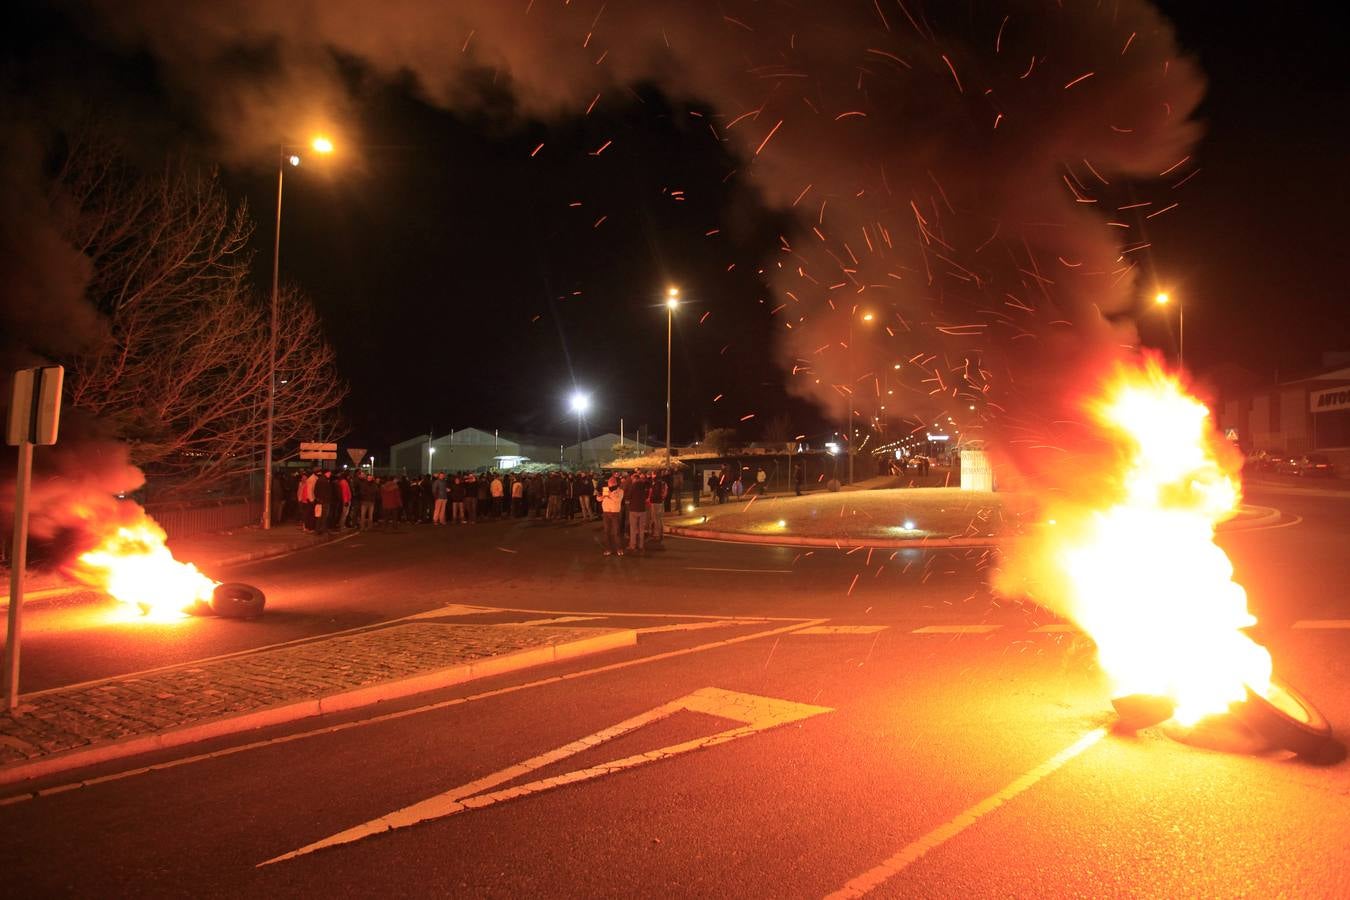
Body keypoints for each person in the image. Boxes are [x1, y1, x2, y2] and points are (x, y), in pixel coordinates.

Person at [600, 476, 625, 556]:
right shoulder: (605, 490)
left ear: (615, 483)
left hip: (615, 513)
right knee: (606, 532)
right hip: (606, 512)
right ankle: (608, 549)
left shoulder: (620, 491)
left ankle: (619, 549)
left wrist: (609, 495)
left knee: (616, 531)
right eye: (609, 483)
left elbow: (617, 500)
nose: (610, 485)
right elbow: (599, 499)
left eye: (611, 483)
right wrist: (601, 497)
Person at [627, 473, 650, 554]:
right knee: (641, 529)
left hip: (633, 509)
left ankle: (633, 545)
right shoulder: (644, 485)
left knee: (633, 529)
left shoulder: (633, 486)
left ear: (634, 479)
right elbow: (647, 495)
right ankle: (641, 545)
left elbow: (628, 496)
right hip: (642, 509)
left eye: (632, 479)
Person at [647, 472, 667, 546]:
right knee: (659, 518)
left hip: (655, 502)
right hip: (660, 502)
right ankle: (661, 533)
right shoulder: (663, 483)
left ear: (655, 475)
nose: (651, 475)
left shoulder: (656, 483)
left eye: (652, 474)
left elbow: (654, 493)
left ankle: (657, 535)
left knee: (655, 519)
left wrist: (650, 499)